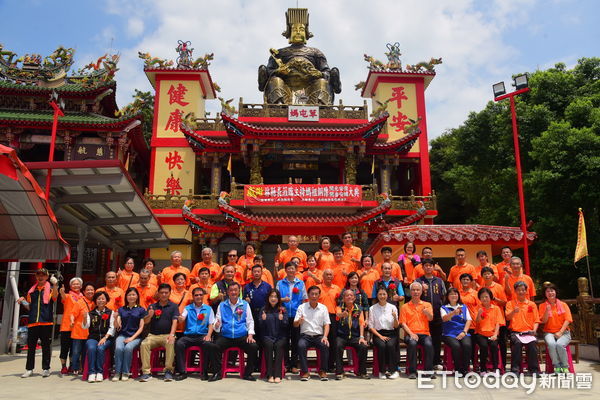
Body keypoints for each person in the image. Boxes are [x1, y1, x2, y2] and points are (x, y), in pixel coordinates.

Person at [213, 282, 259, 382]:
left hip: (241, 336)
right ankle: (217, 373)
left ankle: (248, 373)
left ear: (239, 292)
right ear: (227, 292)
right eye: (231, 290)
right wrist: (216, 325)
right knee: (214, 346)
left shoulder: (244, 304)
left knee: (253, 347)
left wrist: (250, 335)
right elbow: (217, 323)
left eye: (235, 290)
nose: (233, 292)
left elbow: (250, 321)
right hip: (226, 336)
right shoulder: (222, 305)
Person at [18, 268, 58, 378]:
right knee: (31, 347)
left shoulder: (49, 289)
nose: (41, 277)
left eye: (43, 275)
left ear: (47, 277)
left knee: (46, 346)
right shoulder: (32, 290)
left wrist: (55, 285)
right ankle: (29, 369)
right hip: (33, 323)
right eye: (38, 275)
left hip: (46, 322)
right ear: (36, 276)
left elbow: (55, 297)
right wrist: (23, 301)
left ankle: (46, 369)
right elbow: (29, 307)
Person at [174, 287, 219, 381]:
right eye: (196, 295)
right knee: (179, 344)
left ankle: (205, 372)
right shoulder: (188, 308)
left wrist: (208, 335)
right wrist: (180, 319)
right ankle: (182, 371)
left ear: (203, 296)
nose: (198, 297)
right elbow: (182, 317)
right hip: (189, 336)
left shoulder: (208, 309)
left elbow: (211, 323)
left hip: (202, 335)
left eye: (200, 295)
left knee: (208, 344)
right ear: (193, 297)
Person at [139, 283, 180, 382]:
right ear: (158, 293)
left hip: (167, 335)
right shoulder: (152, 306)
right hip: (153, 335)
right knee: (144, 344)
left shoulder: (174, 306)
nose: (164, 295)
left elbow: (175, 322)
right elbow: (146, 322)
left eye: (166, 292)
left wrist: (172, 335)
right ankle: (146, 373)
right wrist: (149, 315)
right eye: (162, 292)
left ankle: (168, 371)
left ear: (170, 293)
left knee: (171, 342)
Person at [295, 285, 331, 381]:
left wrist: (325, 337)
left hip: (319, 336)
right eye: (312, 294)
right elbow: (295, 324)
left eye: (316, 294)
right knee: (301, 345)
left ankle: (322, 371)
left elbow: (327, 324)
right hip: (305, 336)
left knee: (325, 345)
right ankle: (305, 371)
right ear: (308, 295)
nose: (314, 296)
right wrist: (299, 321)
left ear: (319, 295)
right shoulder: (302, 307)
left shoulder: (323, 308)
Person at [415, 258, 446, 370]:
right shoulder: (418, 281)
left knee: (437, 339)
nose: (428, 267)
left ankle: (436, 361)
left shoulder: (439, 281)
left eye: (430, 265)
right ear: (422, 267)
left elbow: (444, 296)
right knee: (424, 339)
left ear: (434, 267)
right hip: (423, 315)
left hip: (437, 315)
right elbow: (414, 297)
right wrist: (422, 290)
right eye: (426, 265)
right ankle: (423, 361)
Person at [276, 261, 307, 372]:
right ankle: (285, 364)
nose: (290, 270)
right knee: (284, 340)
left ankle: (294, 365)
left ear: (296, 270)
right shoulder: (280, 283)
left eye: (293, 268)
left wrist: (302, 314)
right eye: (288, 268)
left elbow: (304, 299)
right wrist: (283, 300)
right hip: (283, 315)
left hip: (296, 316)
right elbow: (275, 299)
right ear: (285, 270)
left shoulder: (301, 283)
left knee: (295, 341)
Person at [400, 282, 435, 379]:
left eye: (418, 290)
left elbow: (431, 318)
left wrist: (427, 313)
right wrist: (411, 334)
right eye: (413, 290)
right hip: (410, 334)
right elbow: (403, 323)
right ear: (410, 292)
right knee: (412, 343)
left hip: (425, 333)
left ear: (421, 292)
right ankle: (412, 371)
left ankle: (428, 371)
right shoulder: (405, 306)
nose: (415, 292)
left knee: (428, 344)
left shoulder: (427, 305)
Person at [505, 281, 540, 375]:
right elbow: (508, 317)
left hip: (529, 332)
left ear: (526, 291)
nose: (521, 292)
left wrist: (534, 330)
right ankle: (515, 370)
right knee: (516, 344)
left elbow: (536, 320)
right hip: (516, 332)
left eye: (523, 290)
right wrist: (513, 312)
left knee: (532, 345)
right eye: (519, 290)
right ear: (515, 291)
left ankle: (534, 370)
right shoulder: (510, 304)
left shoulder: (532, 304)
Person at [334, 290, 369, 379]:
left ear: (354, 298)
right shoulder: (339, 307)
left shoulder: (359, 308)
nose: (349, 297)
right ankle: (339, 372)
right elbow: (338, 314)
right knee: (337, 345)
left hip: (355, 336)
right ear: (343, 298)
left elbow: (361, 323)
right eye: (347, 295)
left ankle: (362, 372)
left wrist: (361, 337)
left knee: (363, 346)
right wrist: (342, 314)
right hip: (342, 336)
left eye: (351, 295)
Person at [113, 287, 145, 381]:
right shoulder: (121, 309)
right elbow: (117, 327)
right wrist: (115, 318)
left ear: (137, 296)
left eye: (133, 294)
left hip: (136, 337)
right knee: (119, 348)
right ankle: (118, 372)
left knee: (128, 348)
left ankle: (125, 372)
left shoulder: (141, 310)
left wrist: (132, 338)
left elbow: (141, 327)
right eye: (129, 295)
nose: (131, 297)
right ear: (126, 297)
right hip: (122, 335)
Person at [539, 284, 573, 373]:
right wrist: (547, 310)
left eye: (552, 290)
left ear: (555, 292)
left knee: (559, 345)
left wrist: (560, 332)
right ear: (545, 294)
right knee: (551, 344)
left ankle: (565, 366)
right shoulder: (542, 306)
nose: (550, 293)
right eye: (548, 291)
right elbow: (544, 321)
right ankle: (557, 366)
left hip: (564, 332)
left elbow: (568, 319)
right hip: (549, 332)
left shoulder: (563, 304)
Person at [82, 291, 115, 382]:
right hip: (93, 338)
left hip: (106, 338)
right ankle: (92, 373)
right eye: (98, 299)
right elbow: (85, 326)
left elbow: (112, 327)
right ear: (95, 301)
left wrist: (105, 337)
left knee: (100, 348)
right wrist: (84, 318)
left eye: (103, 299)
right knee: (92, 348)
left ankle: (99, 372)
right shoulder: (91, 313)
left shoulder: (111, 312)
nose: (101, 300)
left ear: (106, 300)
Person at [368, 287, 400, 379]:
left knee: (390, 345)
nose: (382, 296)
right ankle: (382, 371)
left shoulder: (393, 307)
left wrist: (394, 317)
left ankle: (393, 370)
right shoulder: (372, 308)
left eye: (384, 294)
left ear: (387, 295)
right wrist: (380, 336)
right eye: (380, 294)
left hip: (391, 333)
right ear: (377, 296)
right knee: (381, 346)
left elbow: (396, 326)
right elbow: (371, 326)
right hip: (378, 333)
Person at [440, 288, 472, 377]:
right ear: (447, 297)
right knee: (456, 346)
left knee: (467, 345)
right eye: (451, 294)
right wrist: (453, 312)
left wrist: (464, 332)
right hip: (449, 333)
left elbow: (469, 320)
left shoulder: (464, 307)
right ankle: (458, 369)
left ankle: (465, 369)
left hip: (462, 331)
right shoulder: (444, 307)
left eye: (456, 294)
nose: (454, 296)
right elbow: (444, 318)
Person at [258, 289, 289, 383]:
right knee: (269, 346)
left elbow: (286, 325)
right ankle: (270, 374)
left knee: (279, 346)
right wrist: (263, 320)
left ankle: (278, 374)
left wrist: (282, 319)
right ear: (268, 298)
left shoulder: (282, 309)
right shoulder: (263, 309)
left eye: (275, 296)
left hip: (280, 336)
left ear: (278, 298)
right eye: (271, 296)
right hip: (267, 336)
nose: (273, 298)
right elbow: (260, 326)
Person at [474, 287, 505, 374]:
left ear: (490, 297)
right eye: (482, 297)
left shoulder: (496, 308)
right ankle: (483, 368)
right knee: (483, 346)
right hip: (481, 333)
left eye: (486, 297)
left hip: (492, 333)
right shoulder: (478, 308)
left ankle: (496, 368)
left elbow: (499, 323)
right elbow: (477, 322)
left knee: (494, 346)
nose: (484, 299)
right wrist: (479, 314)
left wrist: (495, 335)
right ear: (479, 298)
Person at [58, 277, 83, 375]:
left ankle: (72, 365)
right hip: (66, 326)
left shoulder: (83, 297)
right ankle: (63, 367)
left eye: (78, 284)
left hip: (78, 327)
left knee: (74, 348)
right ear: (70, 286)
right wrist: (62, 292)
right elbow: (63, 297)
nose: (76, 285)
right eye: (74, 284)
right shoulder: (68, 296)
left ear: (81, 286)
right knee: (65, 347)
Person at [318, 268, 342, 371]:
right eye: (326, 274)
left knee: (332, 341)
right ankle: (322, 365)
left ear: (333, 277)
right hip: (319, 317)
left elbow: (340, 303)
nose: (328, 276)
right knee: (321, 341)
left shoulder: (337, 288)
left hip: (333, 316)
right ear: (323, 276)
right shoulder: (317, 288)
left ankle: (331, 365)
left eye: (330, 275)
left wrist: (338, 310)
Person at [70, 282, 95, 375]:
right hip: (78, 332)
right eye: (88, 290)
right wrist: (72, 321)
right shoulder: (80, 302)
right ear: (84, 291)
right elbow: (73, 314)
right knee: (76, 351)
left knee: (85, 352)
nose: (90, 291)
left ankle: (84, 368)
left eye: (91, 289)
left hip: (90, 333)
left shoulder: (95, 302)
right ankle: (75, 368)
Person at [243, 264, 273, 337]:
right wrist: (245, 299)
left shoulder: (267, 286)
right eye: (255, 272)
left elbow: (271, 300)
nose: (256, 273)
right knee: (253, 333)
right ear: (252, 273)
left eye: (258, 271)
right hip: (251, 313)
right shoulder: (247, 287)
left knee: (264, 334)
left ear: (261, 273)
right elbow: (243, 300)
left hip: (264, 312)